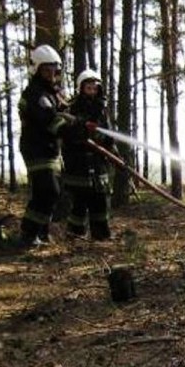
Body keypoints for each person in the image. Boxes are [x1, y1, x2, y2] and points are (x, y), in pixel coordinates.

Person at [17, 45, 75, 247]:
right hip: (37, 148)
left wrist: (78, 122)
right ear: (37, 70)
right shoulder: (35, 94)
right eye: (46, 70)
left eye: (54, 71)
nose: (51, 75)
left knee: (51, 192)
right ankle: (28, 233)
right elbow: (50, 121)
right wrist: (72, 130)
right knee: (48, 190)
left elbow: (64, 112)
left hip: (49, 149)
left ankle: (40, 233)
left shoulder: (51, 93)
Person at [61, 69, 116, 241]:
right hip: (78, 163)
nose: (92, 91)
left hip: (98, 163)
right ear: (81, 88)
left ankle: (101, 235)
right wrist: (82, 130)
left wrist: (113, 151)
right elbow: (67, 133)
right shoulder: (72, 108)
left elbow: (108, 135)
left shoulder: (101, 110)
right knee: (79, 202)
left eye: (94, 88)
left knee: (99, 200)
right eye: (88, 88)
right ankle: (75, 236)